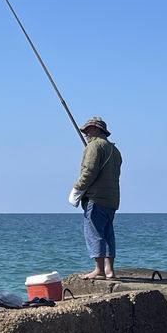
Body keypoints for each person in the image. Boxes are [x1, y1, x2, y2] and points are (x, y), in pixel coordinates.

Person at [69, 117, 122, 280]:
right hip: (112, 199)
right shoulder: (115, 151)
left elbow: (89, 171)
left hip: (96, 198)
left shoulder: (94, 146)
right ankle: (109, 270)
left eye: (88, 130)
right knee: (108, 234)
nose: (86, 134)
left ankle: (98, 270)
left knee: (95, 233)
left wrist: (77, 188)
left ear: (98, 130)